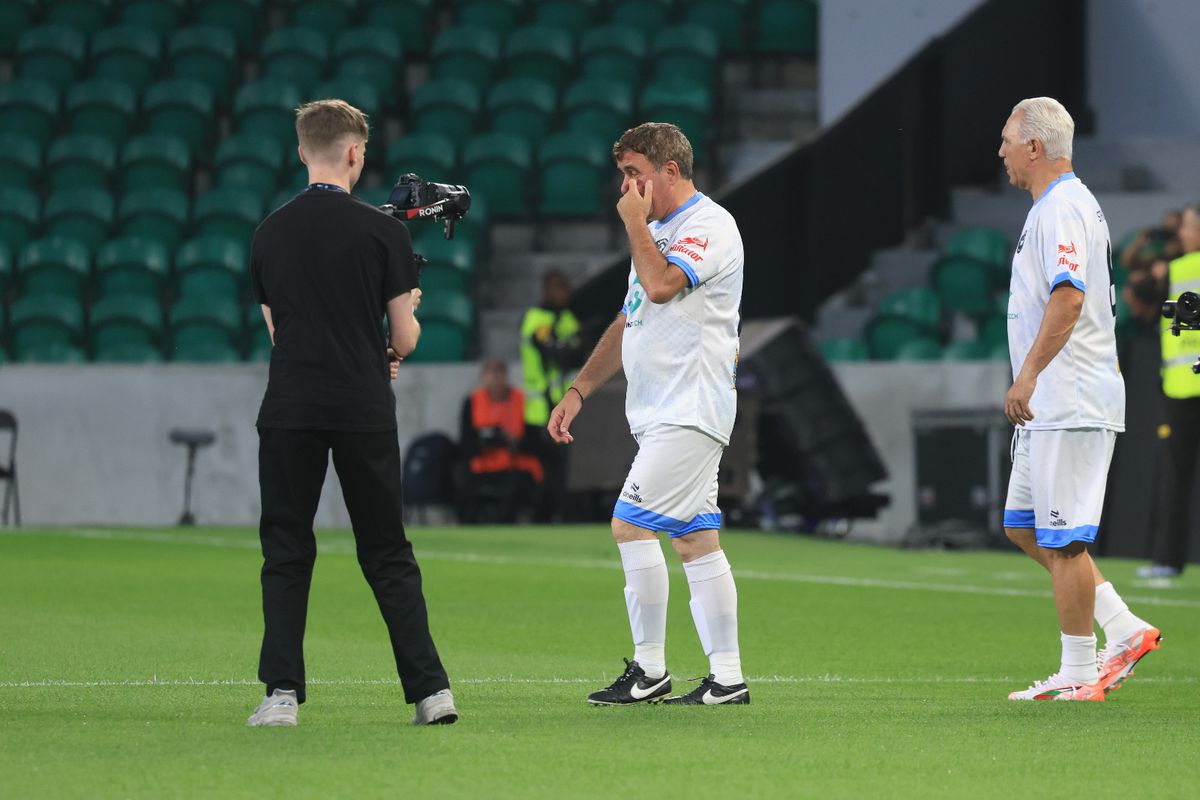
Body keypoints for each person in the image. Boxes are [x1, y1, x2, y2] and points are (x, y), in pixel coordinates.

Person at [246, 99, 456, 727]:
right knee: (387, 550)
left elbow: (282, 334)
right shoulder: (385, 232)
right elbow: (406, 338)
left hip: (290, 407)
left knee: (286, 548)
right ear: (356, 153)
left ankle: (281, 696)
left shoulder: (268, 233)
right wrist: (403, 318)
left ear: (302, 150)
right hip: (363, 406)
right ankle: (430, 692)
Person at [548, 122, 748, 706]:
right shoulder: (658, 231)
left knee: (629, 524)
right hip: (663, 410)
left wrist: (635, 224)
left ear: (671, 170)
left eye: (635, 174)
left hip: (691, 407)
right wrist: (579, 389)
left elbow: (661, 286)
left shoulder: (710, 226)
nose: (627, 188)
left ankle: (649, 670)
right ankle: (727, 677)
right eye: (623, 176)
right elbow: (632, 317)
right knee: (694, 540)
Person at [998, 97, 1161, 702]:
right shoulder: (1055, 207)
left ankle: (1079, 673)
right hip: (1051, 404)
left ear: (1034, 147)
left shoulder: (1062, 208)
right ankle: (1123, 626)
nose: (1001, 152)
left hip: (1066, 398)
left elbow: (1068, 297)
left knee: (1064, 540)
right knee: (1024, 527)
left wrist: (1029, 375)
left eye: (1007, 140)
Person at [1141, 204, 1200, 579]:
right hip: (1180, 389)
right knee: (1175, 477)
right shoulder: (1176, 269)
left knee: (1176, 477)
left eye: (1190, 226)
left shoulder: (1176, 270)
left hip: (1182, 388)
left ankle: (1167, 560)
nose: (1182, 233)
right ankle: (1166, 559)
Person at [520, 270, 583, 523]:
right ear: (545, 290)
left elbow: (578, 355)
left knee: (563, 466)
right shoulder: (536, 318)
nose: (563, 293)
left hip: (563, 405)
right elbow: (549, 352)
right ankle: (538, 515)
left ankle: (559, 514)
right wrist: (565, 348)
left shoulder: (569, 319)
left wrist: (569, 348)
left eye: (566, 288)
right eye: (558, 288)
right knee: (543, 467)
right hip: (539, 408)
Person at [459, 359, 543, 523]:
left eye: (500, 373)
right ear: (483, 377)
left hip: (515, 463)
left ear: (506, 376)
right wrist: (488, 440)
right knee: (465, 486)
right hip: (483, 464)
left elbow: (535, 440)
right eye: (492, 373)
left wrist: (514, 441)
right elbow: (466, 441)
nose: (496, 379)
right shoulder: (472, 401)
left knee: (515, 487)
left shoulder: (522, 401)